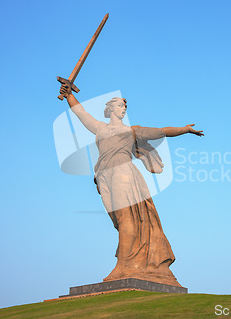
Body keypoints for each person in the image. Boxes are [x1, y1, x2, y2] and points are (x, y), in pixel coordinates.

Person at [60, 85, 203, 286]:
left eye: (124, 106)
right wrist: (69, 96)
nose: (123, 109)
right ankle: (132, 261)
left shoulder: (132, 131)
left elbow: (161, 132)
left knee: (125, 216)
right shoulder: (100, 128)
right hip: (103, 175)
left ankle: (123, 265)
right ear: (110, 109)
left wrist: (185, 130)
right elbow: (81, 113)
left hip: (123, 173)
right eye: (119, 105)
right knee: (119, 220)